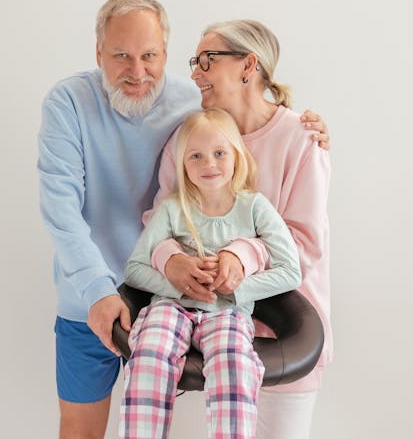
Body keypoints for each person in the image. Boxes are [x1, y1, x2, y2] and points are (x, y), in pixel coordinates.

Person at [37, 0, 330, 439]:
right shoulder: (82, 105)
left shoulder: (208, 112)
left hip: (213, 308)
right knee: (83, 428)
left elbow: (300, 240)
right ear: (99, 53)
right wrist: (143, 270)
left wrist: (238, 258)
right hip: (104, 296)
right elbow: (74, 209)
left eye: (150, 55)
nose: (138, 71)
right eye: (121, 55)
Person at [147, 19, 331, 439]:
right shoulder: (186, 138)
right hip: (206, 331)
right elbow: (160, 221)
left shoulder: (302, 140)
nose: (195, 72)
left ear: (249, 65)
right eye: (195, 61)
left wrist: (238, 257)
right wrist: (174, 259)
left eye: (206, 60)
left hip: (284, 338)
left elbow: (304, 244)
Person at [119, 108, 302, 439]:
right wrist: (178, 285)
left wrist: (236, 290)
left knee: (234, 367)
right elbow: (134, 269)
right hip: (170, 308)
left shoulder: (254, 207)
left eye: (219, 153)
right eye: (196, 156)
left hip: (227, 312)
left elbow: (291, 272)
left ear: (236, 156)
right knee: (149, 355)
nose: (209, 164)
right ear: (183, 164)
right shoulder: (173, 209)